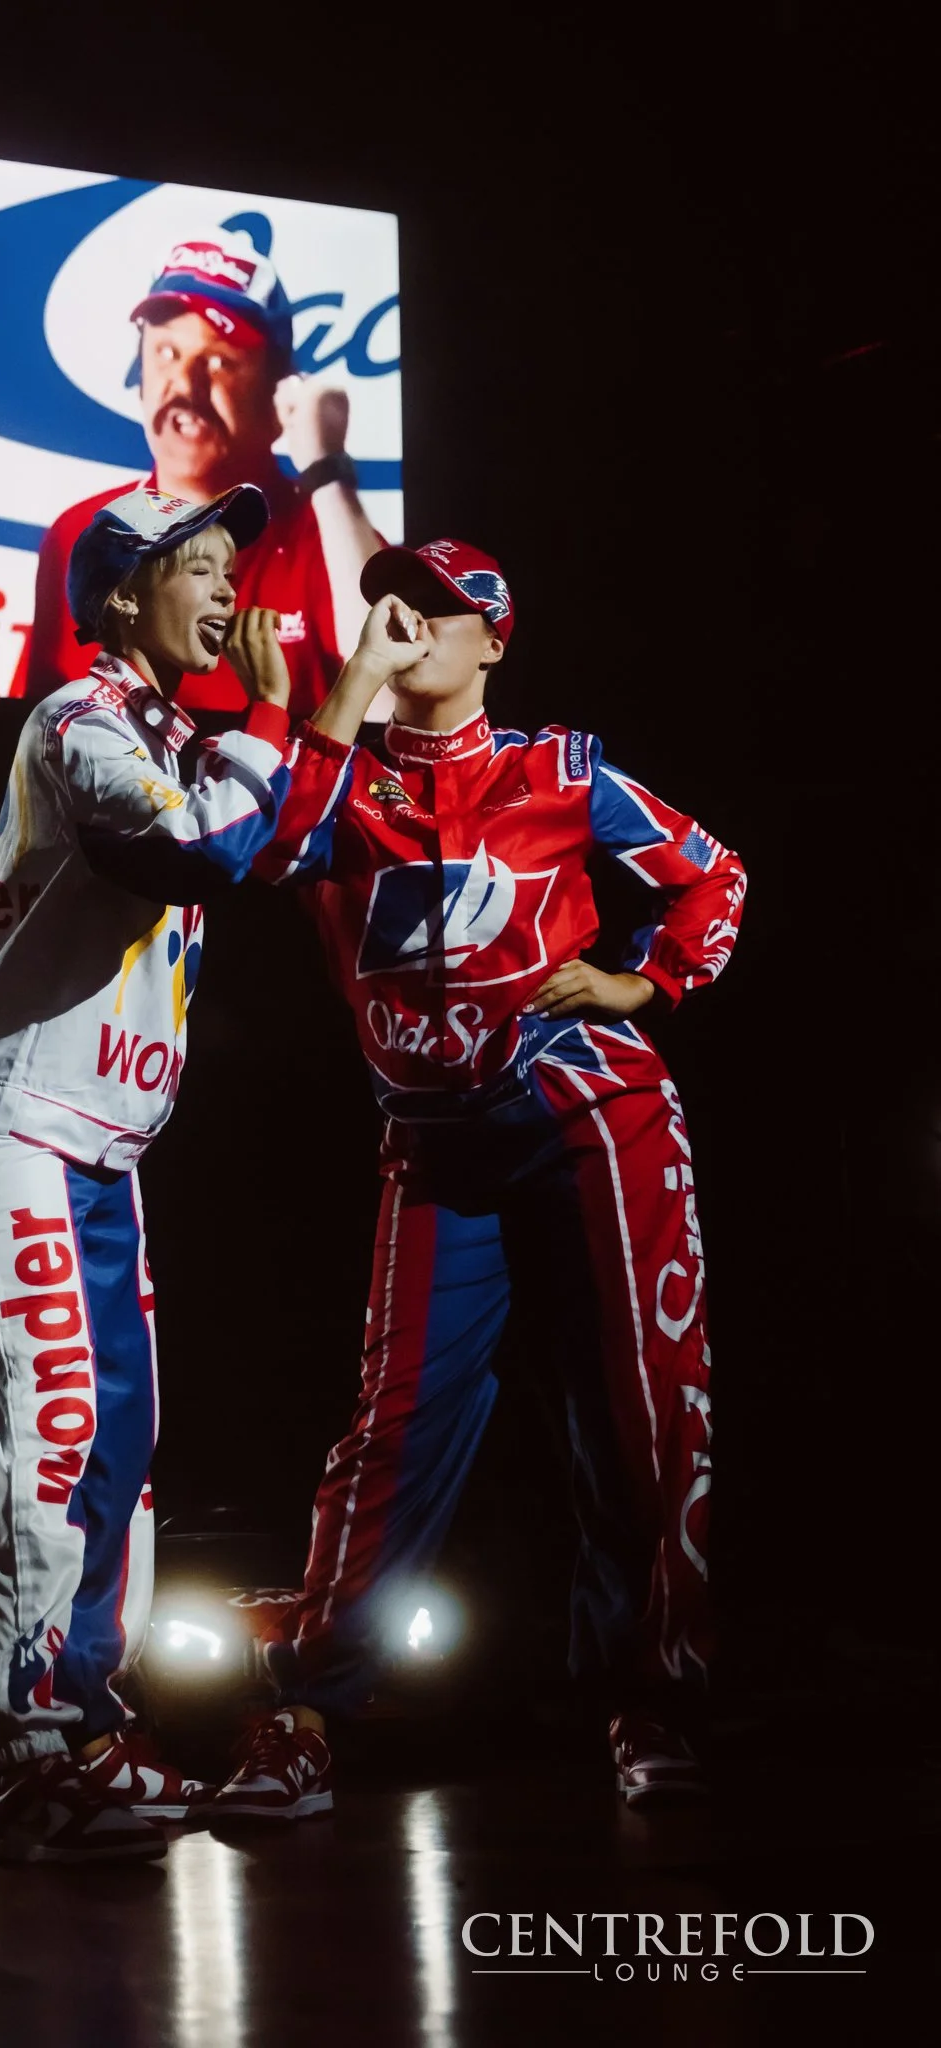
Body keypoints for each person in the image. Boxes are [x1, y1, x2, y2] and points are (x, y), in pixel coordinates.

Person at [209, 539, 746, 1817]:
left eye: (441, 610)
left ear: (494, 640)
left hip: (589, 1114)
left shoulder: (557, 771)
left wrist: (645, 979)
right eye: (392, 600)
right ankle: (302, 1713)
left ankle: (647, 1696)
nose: (407, 621)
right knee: (392, 1426)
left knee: (638, 1410)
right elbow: (267, 855)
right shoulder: (333, 782)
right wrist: (339, 691)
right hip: (436, 1142)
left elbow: (710, 874)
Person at [0, 481, 295, 1862]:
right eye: (198, 566)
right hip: (15, 1117)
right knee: (56, 1428)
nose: (226, 589)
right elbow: (184, 854)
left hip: (101, 1145)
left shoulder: (182, 736)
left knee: (119, 1457)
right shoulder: (78, 720)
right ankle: (28, 1754)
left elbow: (269, 839)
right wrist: (271, 731)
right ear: (122, 594)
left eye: (227, 565)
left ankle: (89, 1719)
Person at [24, 227, 383, 724]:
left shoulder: (328, 533)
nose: (186, 386)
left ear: (279, 392)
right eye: (167, 353)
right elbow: (36, 737)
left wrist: (327, 472)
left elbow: (389, 704)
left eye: (218, 361)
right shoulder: (80, 533)